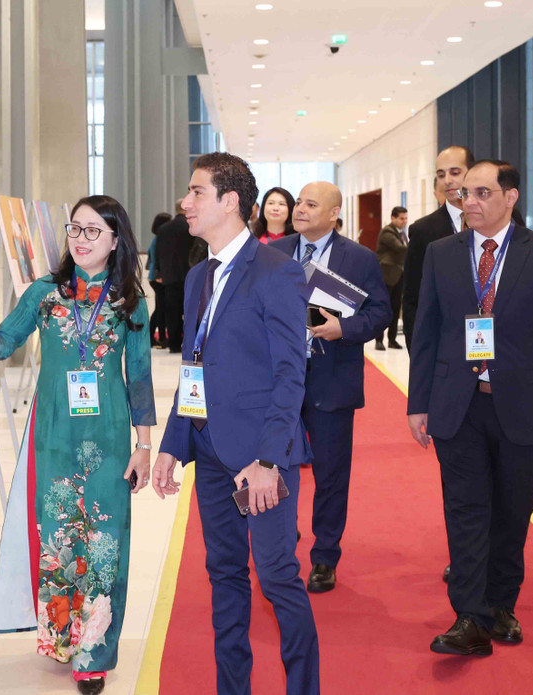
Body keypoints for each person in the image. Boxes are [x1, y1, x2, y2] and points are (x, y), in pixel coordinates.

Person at [0, 195, 154, 695]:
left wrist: (144, 446)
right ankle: (62, 636)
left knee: (103, 542)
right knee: (59, 537)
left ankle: (94, 651)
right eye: (75, 228)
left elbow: (138, 376)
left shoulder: (128, 301)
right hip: (53, 432)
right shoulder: (45, 294)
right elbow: (2, 343)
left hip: (109, 433)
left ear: (117, 240)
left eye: (93, 231)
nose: (79, 238)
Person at [153, 152, 319, 695]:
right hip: (212, 454)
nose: (185, 203)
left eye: (196, 192)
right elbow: (192, 368)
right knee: (224, 579)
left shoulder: (278, 271)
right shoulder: (200, 274)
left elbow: (291, 374)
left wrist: (269, 460)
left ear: (230, 202)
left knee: (276, 578)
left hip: (260, 458)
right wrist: (172, 446)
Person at [407, 159, 533, 656]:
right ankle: (469, 616)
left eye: (483, 192)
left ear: (511, 197)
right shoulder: (442, 253)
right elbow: (426, 333)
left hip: (524, 405)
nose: (471, 202)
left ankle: (502, 605)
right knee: (465, 511)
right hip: (456, 406)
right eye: (465, 193)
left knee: (512, 512)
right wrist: (417, 403)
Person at [271, 182, 391, 594]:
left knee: (331, 474)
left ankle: (325, 556)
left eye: (310, 204)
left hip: (331, 381)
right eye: (298, 203)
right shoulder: (274, 252)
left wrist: (345, 328)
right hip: (278, 382)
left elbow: (380, 312)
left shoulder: (359, 259)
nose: (299, 209)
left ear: (334, 213)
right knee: (275, 465)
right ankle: (281, 541)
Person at [402, 146, 474, 353]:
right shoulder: (423, 231)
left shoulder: (498, 220)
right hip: (445, 345)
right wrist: (417, 352)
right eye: (441, 175)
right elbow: (412, 298)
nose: (447, 181)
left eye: (455, 172)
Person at [155, 201, 193, 353]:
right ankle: (190, 344)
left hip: (169, 276)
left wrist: (159, 271)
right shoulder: (191, 226)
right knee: (190, 311)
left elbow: (158, 252)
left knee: (172, 312)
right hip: (189, 274)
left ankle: (174, 344)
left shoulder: (164, 229)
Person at [374, 205, 408, 350]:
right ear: (393, 218)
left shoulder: (401, 233)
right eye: (401, 218)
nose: (404, 221)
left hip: (398, 276)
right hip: (386, 277)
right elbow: (400, 248)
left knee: (395, 308)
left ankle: (392, 340)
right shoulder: (387, 232)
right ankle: (379, 340)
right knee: (382, 309)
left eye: (406, 218)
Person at [147, 212, 171, 349]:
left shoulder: (157, 238)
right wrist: (159, 273)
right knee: (160, 309)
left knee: (160, 308)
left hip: (155, 277)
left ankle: (158, 336)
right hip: (158, 278)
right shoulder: (159, 239)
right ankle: (156, 337)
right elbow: (156, 258)